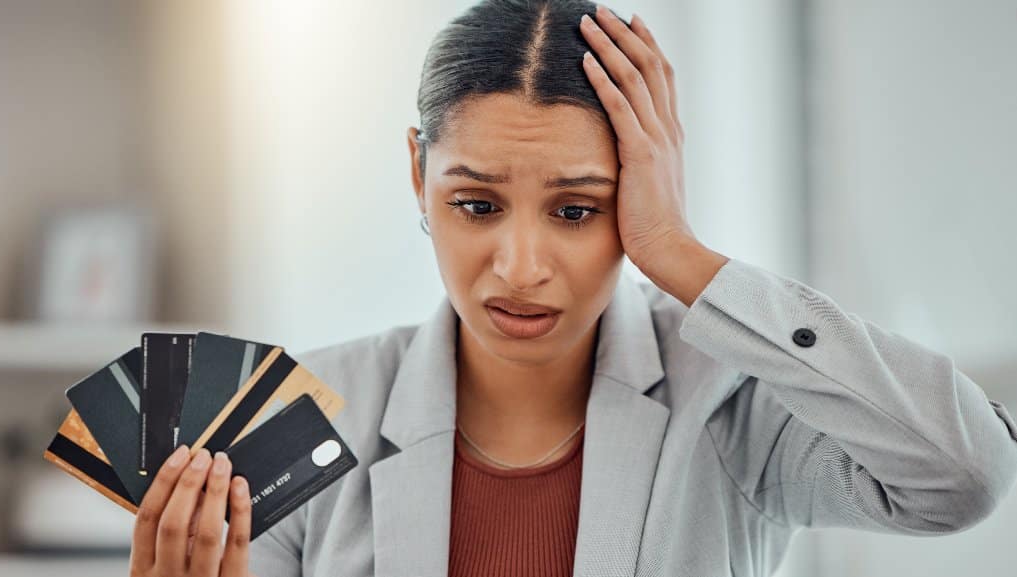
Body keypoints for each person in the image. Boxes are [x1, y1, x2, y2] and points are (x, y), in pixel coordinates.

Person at [128, 1, 1017, 576]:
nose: (518, 266)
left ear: (638, 195)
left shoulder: (733, 398)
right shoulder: (299, 415)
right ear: (416, 176)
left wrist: (678, 252)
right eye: (475, 203)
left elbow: (964, 475)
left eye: (576, 210)